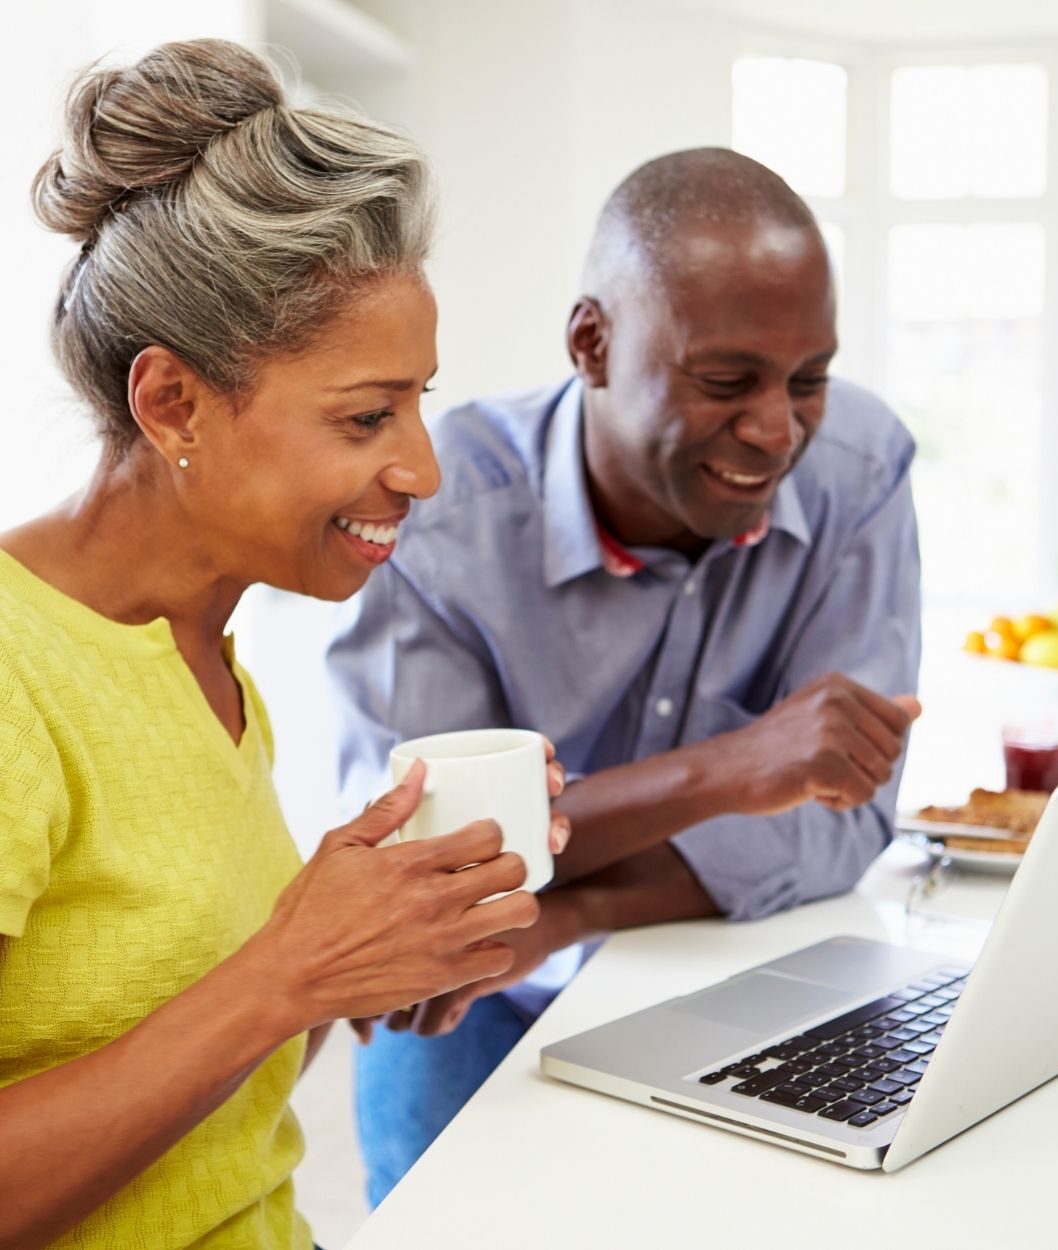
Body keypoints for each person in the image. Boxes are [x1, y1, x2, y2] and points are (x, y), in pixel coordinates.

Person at [0, 39, 568, 1250]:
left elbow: (195, 1058)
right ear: (172, 405)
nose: (420, 467)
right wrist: (288, 972)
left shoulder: (204, 658)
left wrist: (377, 955)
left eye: (418, 400)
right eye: (367, 415)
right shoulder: (15, 672)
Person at [327, 146, 923, 1206]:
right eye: (725, 380)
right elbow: (419, 874)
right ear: (590, 344)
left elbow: (841, 819)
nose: (776, 430)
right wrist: (734, 770)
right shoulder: (438, 507)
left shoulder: (861, 468)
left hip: (713, 977)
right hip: (471, 998)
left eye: (808, 380)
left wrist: (558, 912)